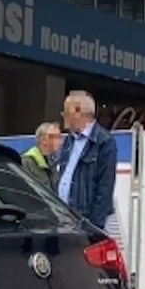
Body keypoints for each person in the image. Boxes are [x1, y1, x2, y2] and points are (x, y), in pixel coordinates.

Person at [54, 91, 117, 229]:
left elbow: (105, 188)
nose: (63, 115)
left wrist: (93, 227)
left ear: (78, 111)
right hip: (63, 221)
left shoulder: (103, 141)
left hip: (84, 223)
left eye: (65, 111)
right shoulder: (69, 140)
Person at [20, 122, 62, 190]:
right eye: (56, 137)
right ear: (43, 140)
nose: (60, 142)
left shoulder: (54, 162)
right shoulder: (26, 162)